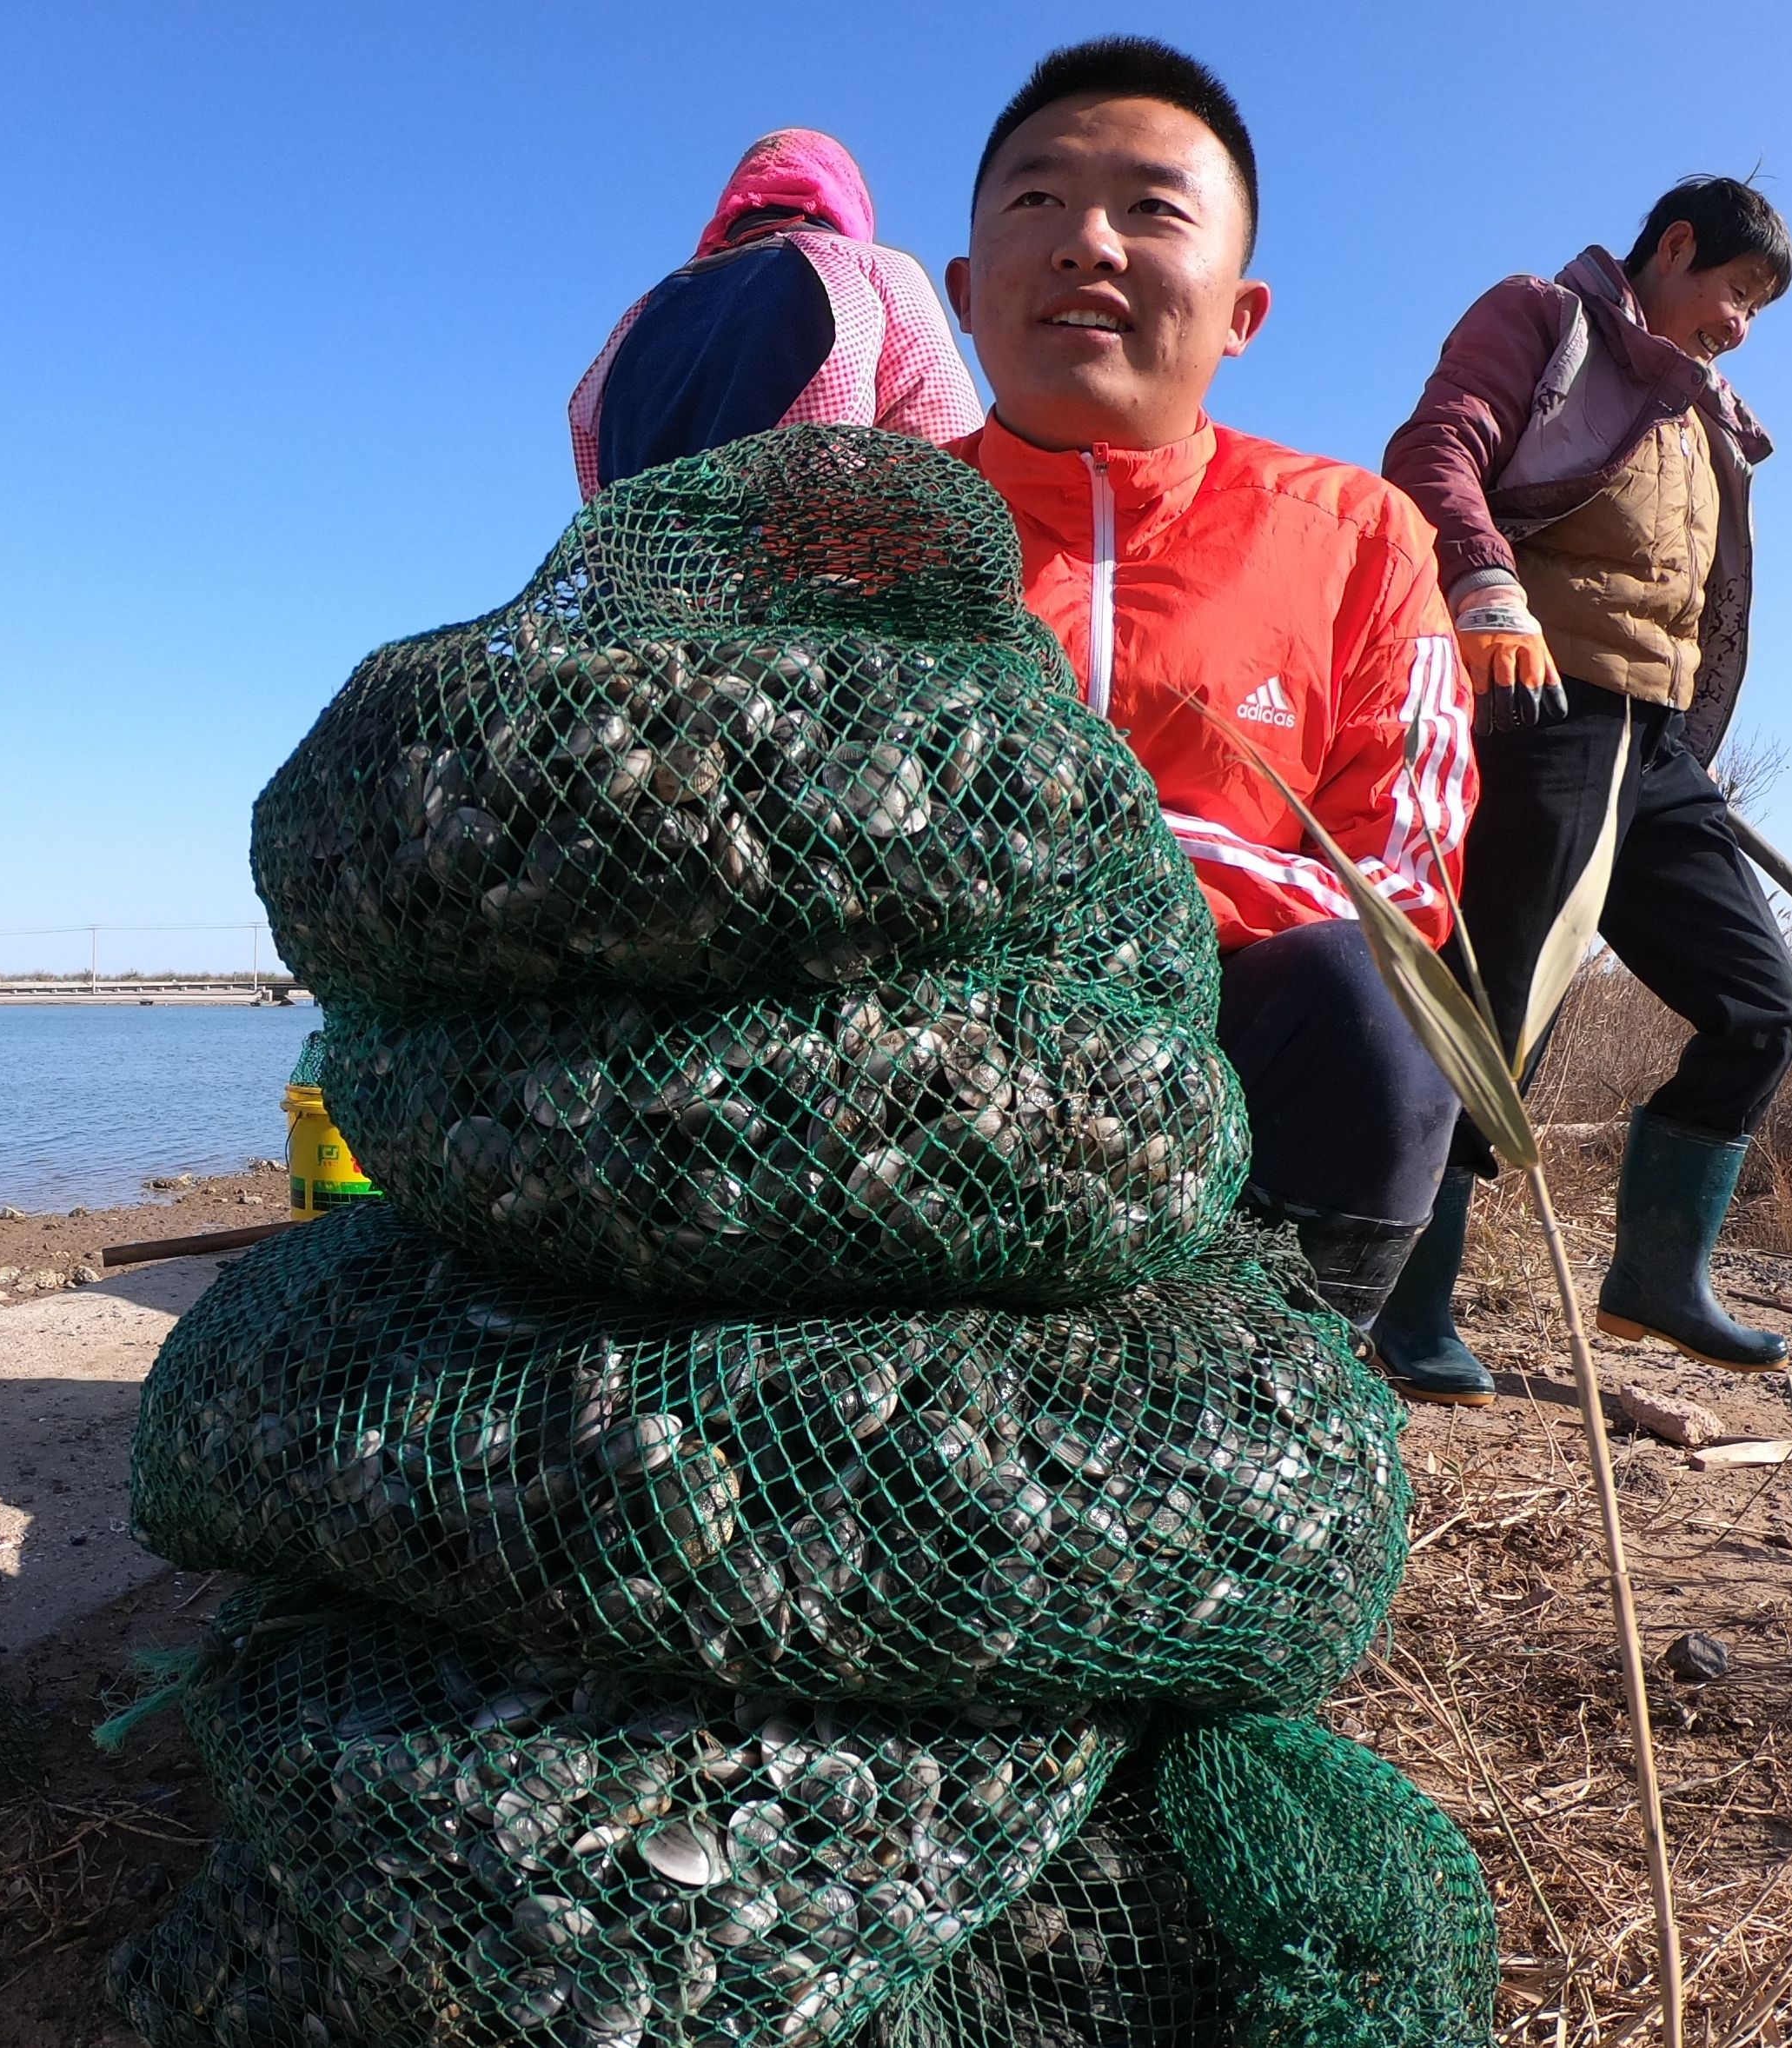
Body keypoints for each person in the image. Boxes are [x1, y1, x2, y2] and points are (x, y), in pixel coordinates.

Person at [940, 37, 1483, 1397]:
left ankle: (1252, 1430)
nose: (1087, 245)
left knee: (1381, 1018)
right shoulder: (856, 535)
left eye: (1151, 209)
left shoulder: (1362, 537)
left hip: (1227, 1073)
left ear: (1241, 313)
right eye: (1037, 202)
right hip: (912, 1056)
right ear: (960, 293)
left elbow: (1397, 894)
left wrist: (1089, 877)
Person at [1377, 177, 1792, 1382]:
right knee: (1495, 1015)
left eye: (1759, 309)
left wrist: (1682, 735)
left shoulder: (1705, 415)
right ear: (1673, 248)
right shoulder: (1542, 319)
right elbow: (1434, 448)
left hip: (1658, 748)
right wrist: (1481, 580)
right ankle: (1401, 1309)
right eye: (1737, 291)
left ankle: (1656, 1280)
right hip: (1545, 712)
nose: (1742, 323)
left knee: (1760, 1004)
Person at [568, 129, 982, 499]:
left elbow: (593, 468)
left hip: (648, 577)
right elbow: (942, 451)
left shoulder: (640, 315)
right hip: (810, 569)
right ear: (845, 200)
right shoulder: (874, 269)